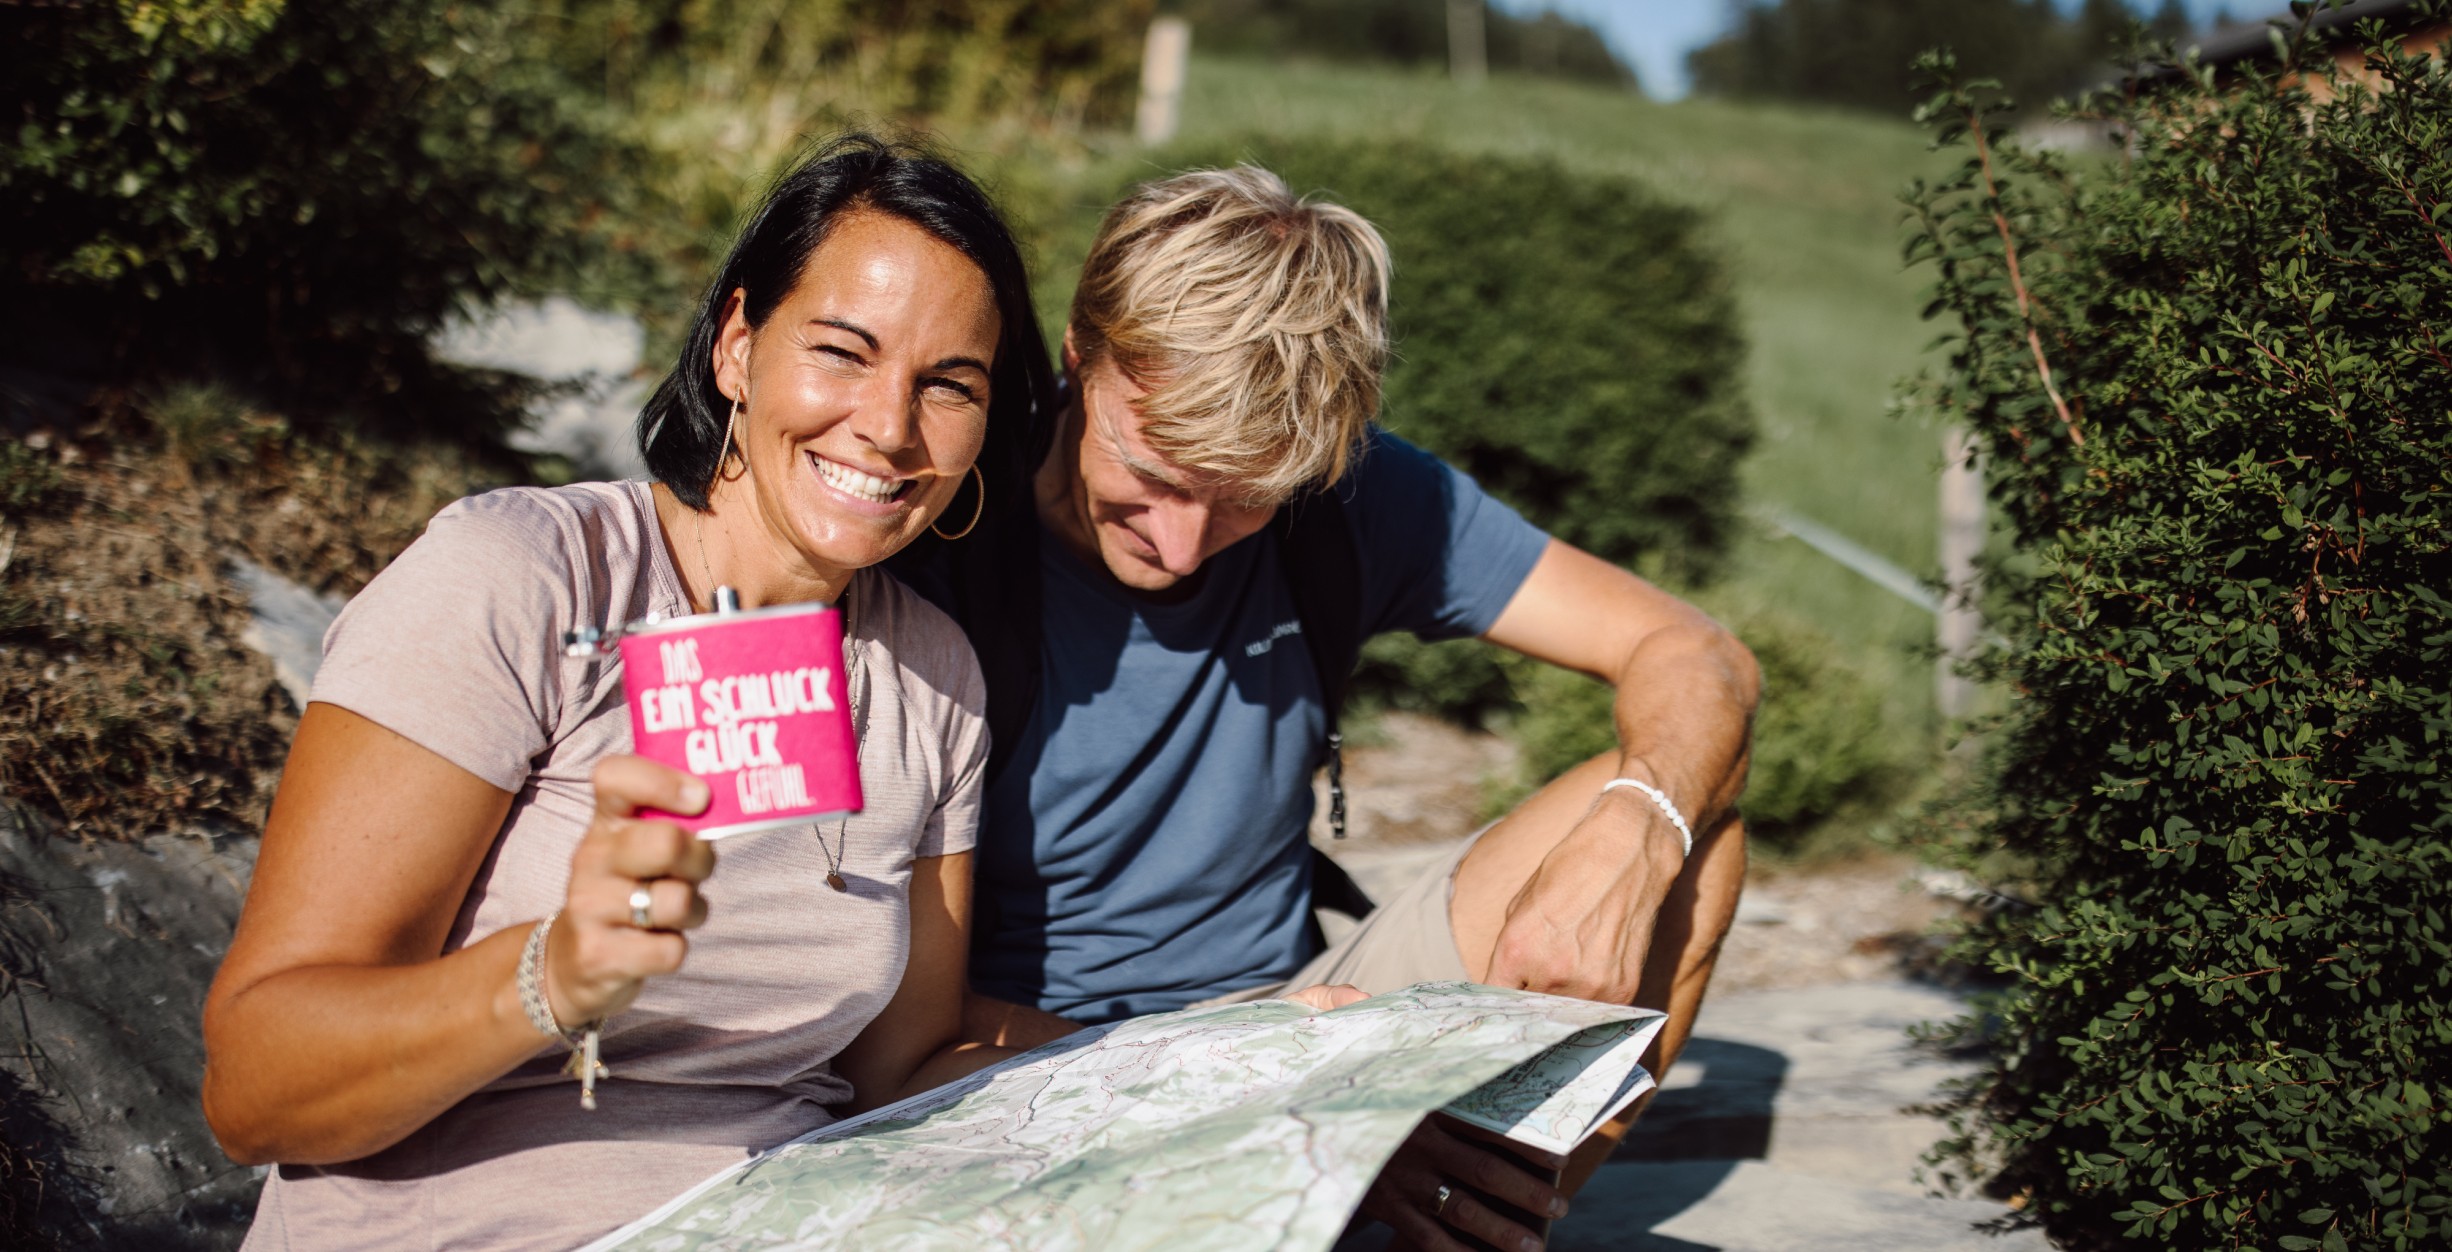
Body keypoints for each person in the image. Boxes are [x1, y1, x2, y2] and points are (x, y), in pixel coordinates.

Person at [199, 134, 1059, 1250]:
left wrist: (1229, 1059)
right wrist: (547, 976)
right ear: (738, 347)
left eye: (949, 384)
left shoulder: (933, 674)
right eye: (843, 352)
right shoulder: (517, 577)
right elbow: (253, 1088)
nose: (891, 427)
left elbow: (901, 1065)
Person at [892, 166, 1759, 1252]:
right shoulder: (932, 535)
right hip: (1023, 1064)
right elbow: (875, 1016)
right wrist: (1223, 1088)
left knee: (1690, 828)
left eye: (1244, 498)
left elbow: (1696, 651)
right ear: (1079, 346)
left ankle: (1460, 1227)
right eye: (1151, 469)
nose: (1179, 543)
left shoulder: (1354, 499)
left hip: (1306, 1019)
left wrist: (1638, 832)